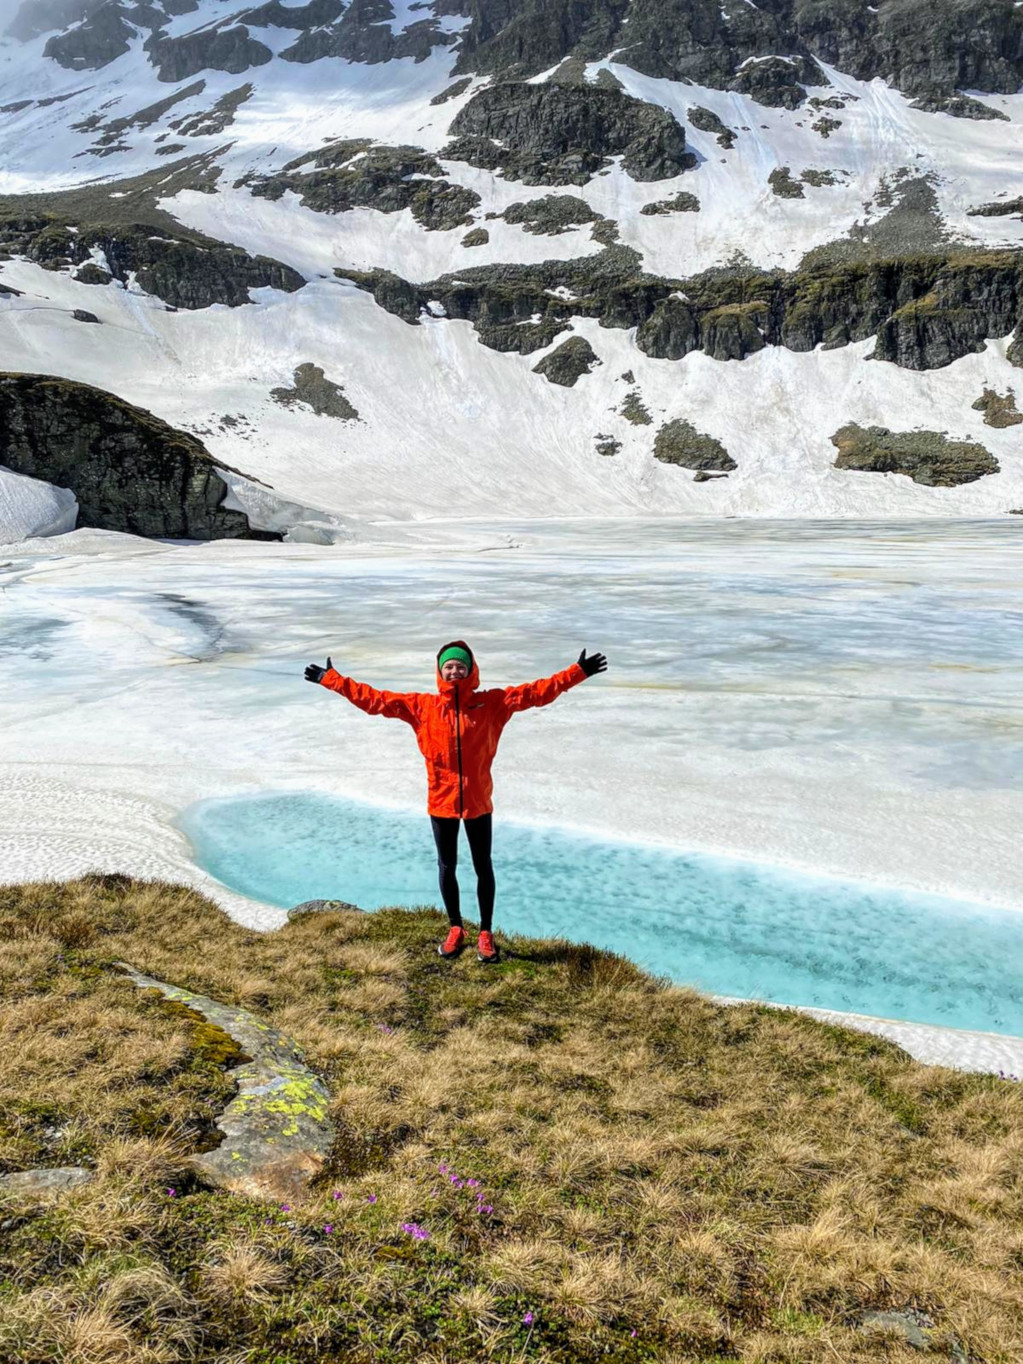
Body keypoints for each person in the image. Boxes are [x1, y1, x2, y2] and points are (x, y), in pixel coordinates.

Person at [304, 640, 607, 962]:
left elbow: (536, 693)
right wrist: (331, 679)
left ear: (471, 670)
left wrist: (577, 673)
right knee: (447, 867)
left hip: (478, 802)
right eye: (448, 667)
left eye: (460, 666)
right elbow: (375, 700)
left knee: (482, 867)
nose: (454, 671)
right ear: (440, 672)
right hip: (441, 801)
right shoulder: (423, 706)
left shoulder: (493, 703)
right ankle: (455, 928)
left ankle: (485, 932)